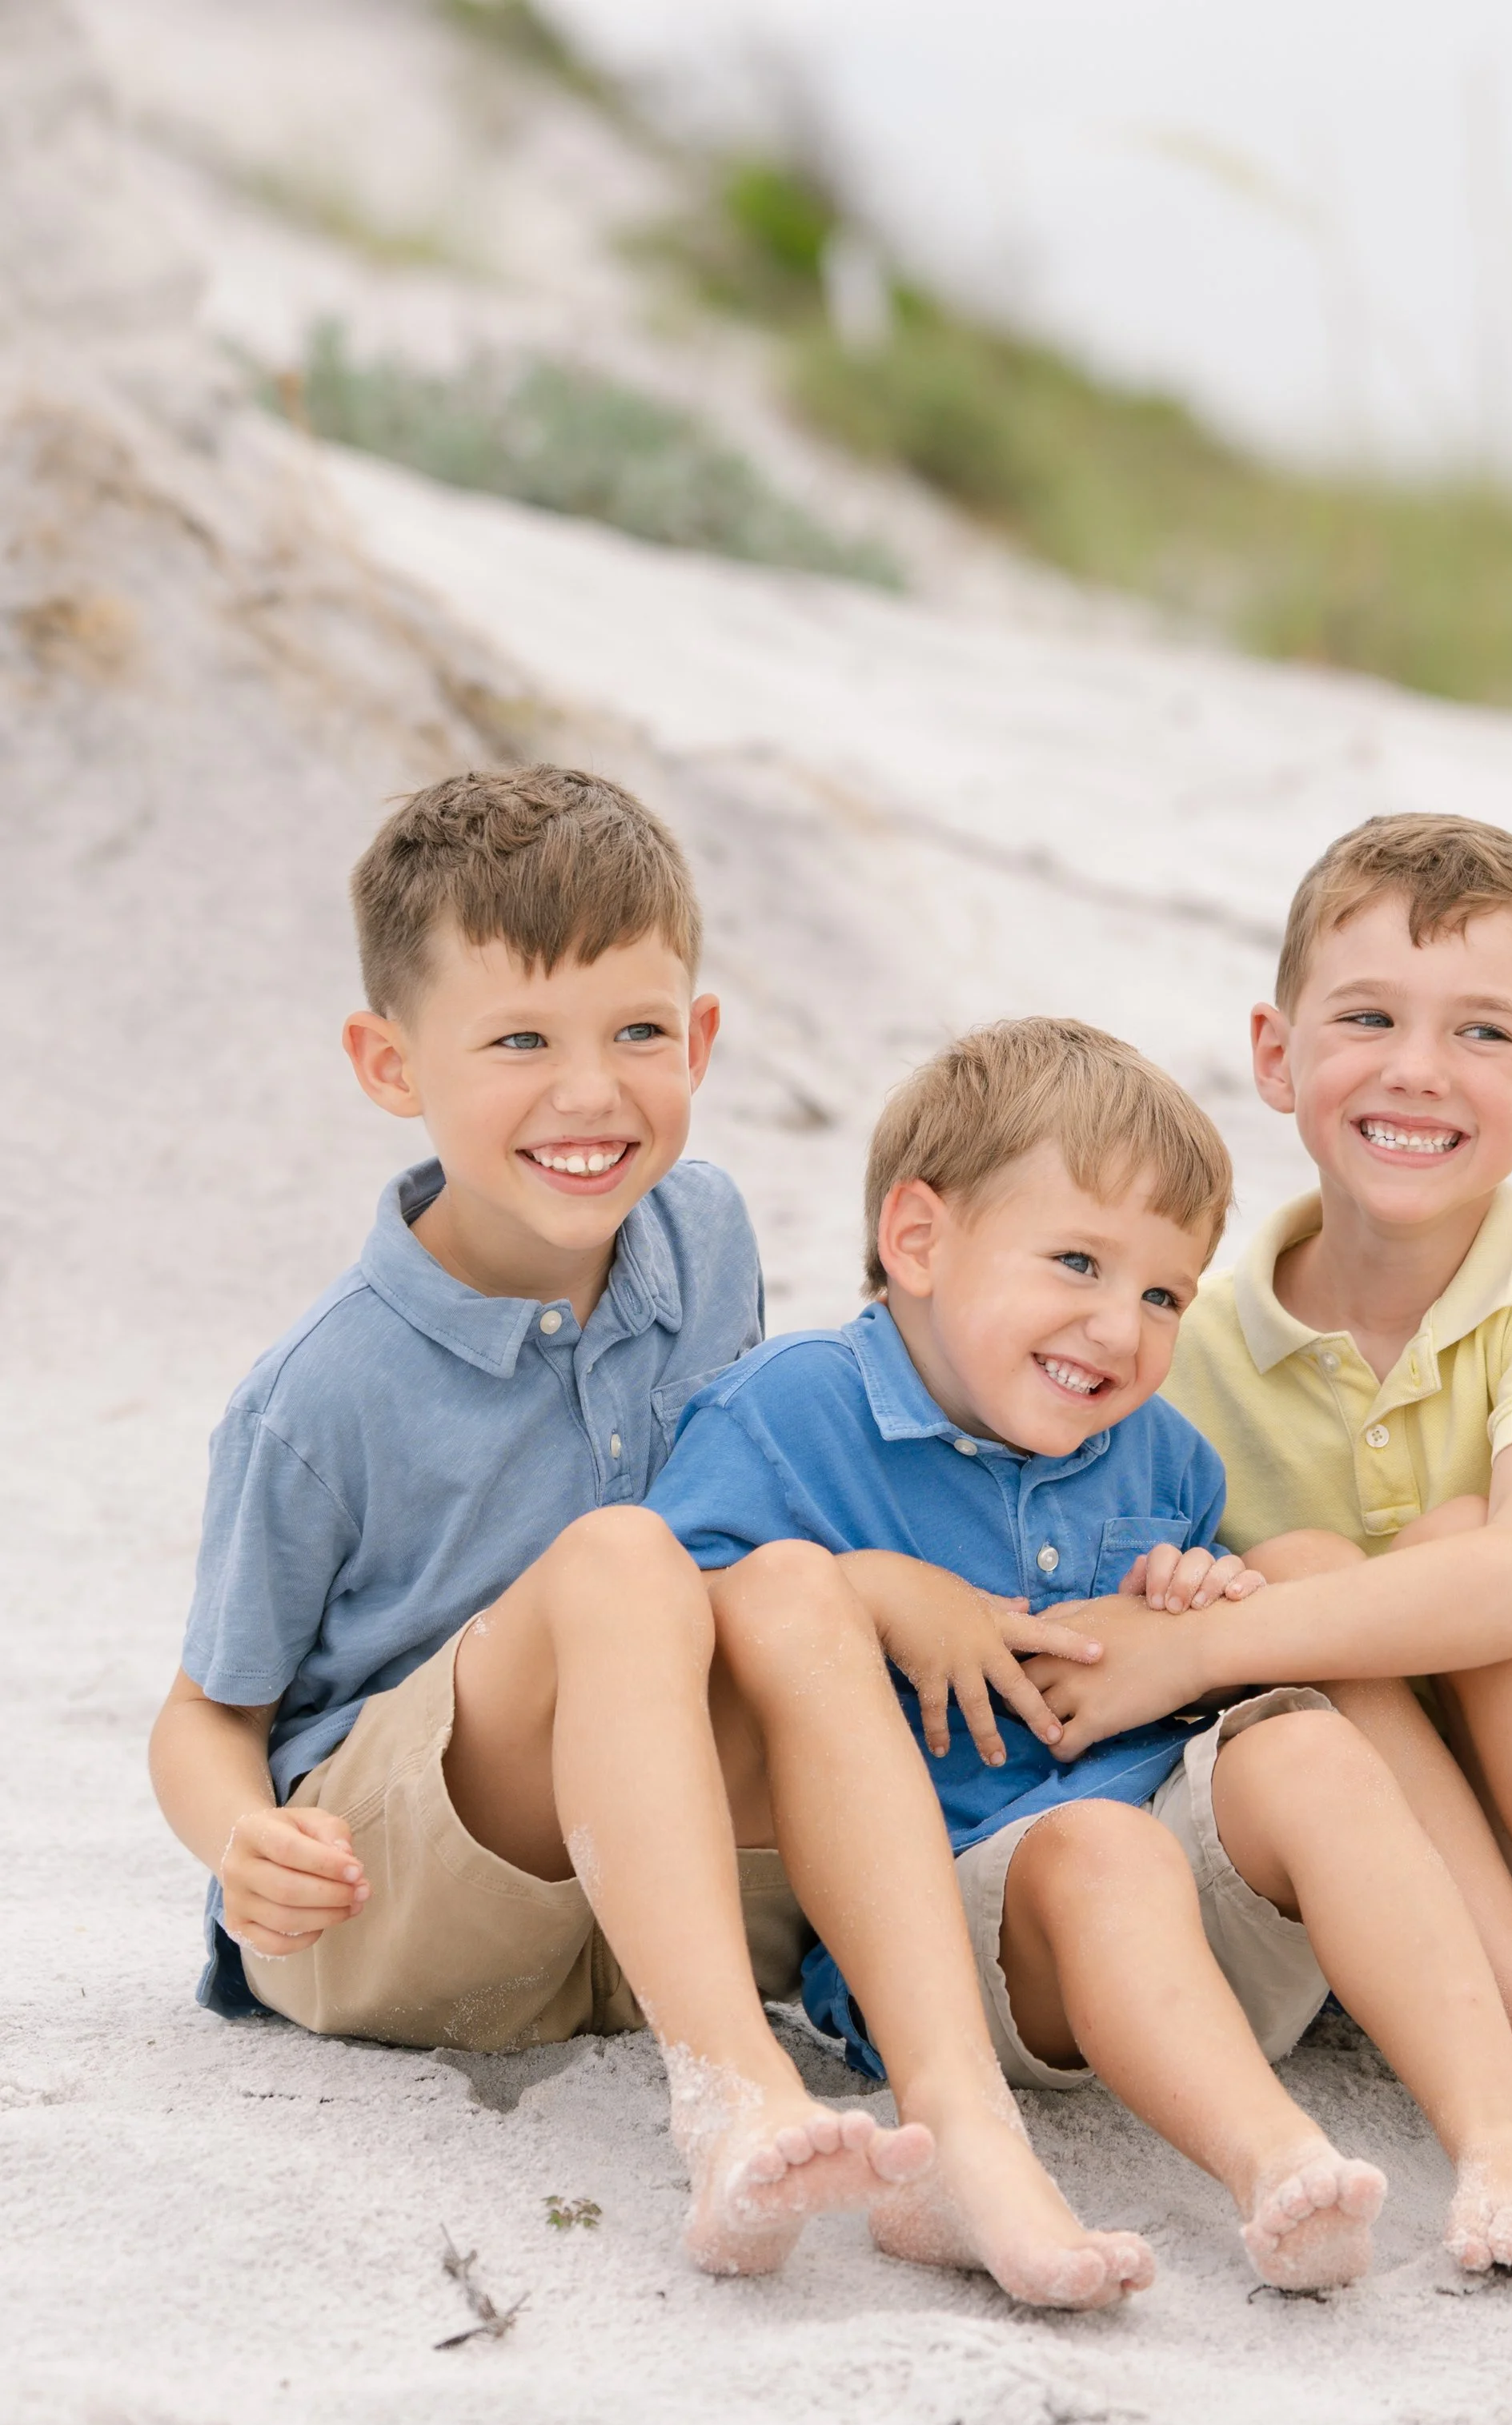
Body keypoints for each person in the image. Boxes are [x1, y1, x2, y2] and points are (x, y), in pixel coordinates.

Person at [147, 766, 1153, 2307]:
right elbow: (205, 1712)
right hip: (397, 1891)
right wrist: (239, 1840)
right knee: (631, 1558)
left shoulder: (709, 1236)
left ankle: (960, 2120)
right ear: (387, 1062)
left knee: (786, 1580)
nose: (589, 1093)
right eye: (518, 1043)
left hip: (638, 1888)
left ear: (702, 1038)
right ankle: (735, 2090)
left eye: (637, 1033)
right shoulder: (320, 1392)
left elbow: (775, 1507)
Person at [648, 1017, 1512, 2289]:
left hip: (1194, 1917)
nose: (1117, 1327)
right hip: (979, 1936)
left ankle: (1502, 2140)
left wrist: (1198, 1597)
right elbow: (680, 1638)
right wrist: (877, 1589)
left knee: (1308, 1745)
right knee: (1100, 1851)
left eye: (1160, 1295)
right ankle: (1275, 2160)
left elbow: (1185, 1685)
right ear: (918, 1241)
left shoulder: (1162, 1455)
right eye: (1076, 1263)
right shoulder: (791, 1411)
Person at [1037, 813, 1512, 2239]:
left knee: (1467, 1560)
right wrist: (1200, 1607)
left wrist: (1217, 1640)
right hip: (1386, 1886)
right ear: (1277, 1053)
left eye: (1485, 1035)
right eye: (1368, 1016)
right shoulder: (1181, 1335)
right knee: (1312, 1571)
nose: (1417, 1070)